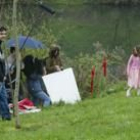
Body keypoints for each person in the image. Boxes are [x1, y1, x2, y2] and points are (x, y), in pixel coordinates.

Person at [0, 26, 11, 120]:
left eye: (4, 34)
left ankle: (6, 117)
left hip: (2, 78)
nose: (3, 36)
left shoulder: (0, 47)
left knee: (3, 97)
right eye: (1, 34)